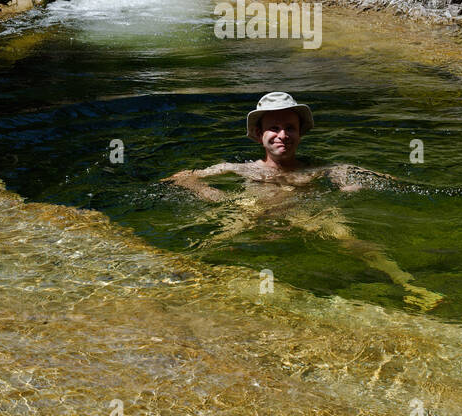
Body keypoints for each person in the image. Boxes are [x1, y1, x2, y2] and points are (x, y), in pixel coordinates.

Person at [164, 92, 445, 311]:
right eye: (273, 127)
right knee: (219, 237)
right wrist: (221, 197)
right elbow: (181, 178)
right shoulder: (239, 168)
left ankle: (409, 285)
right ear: (259, 135)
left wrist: (351, 186)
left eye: (290, 127)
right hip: (254, 209)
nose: (282, 135)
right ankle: (177, 277)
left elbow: (384, 179)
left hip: (308, 212)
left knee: (355, 242)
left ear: (300, 132)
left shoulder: (321, 168)